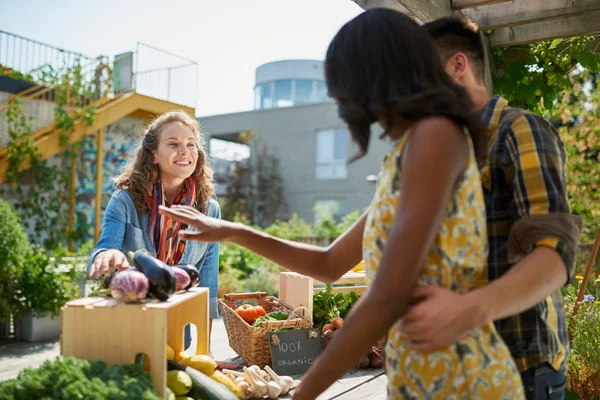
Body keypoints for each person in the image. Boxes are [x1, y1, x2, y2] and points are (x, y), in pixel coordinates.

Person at [159, 9, 524, 399]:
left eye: (342, 83)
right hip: (419, 380)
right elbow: (330, 264)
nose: (338, 97)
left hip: (464, 381)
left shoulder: (435, 136)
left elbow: (387, 295)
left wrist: (302, 394)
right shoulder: (408, 152)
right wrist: (233, 232)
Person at [397, 17, 582, 399]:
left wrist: (465, 310)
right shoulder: (446, 153)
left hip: (522, 369)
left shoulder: (519, 129)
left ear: (457, 66)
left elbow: (556, 255)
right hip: (459, 367)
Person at [86, 111, 232, 366]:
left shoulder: (210, 210)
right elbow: (105, 248)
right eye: (173, 144)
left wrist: (204, 354)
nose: (184, 151)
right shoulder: (125, 201)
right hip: (133, 320)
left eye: (190, 144)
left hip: (180, 331)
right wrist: (105, 256)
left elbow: (207, 285)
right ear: (154, 154)